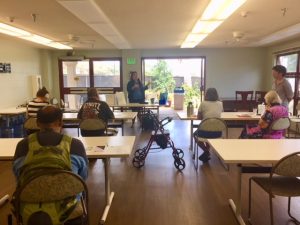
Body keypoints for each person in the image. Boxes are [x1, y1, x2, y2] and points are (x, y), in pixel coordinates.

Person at [13, 105, 88, 225]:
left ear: (37, 123)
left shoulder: (22, 145)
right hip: (68, 209)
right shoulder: (75, 145)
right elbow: (82, 179)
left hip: (30, 210)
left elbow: (19, 177)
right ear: (60, 122)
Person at [194, 88, 224, 162]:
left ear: (206, 94)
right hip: (217, 133)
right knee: (210, 131)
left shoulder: (203, 103)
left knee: (195, 135)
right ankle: (207, 152)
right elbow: (220, 114)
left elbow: (199, 118)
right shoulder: (220, 103)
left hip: (205, 132)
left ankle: (206, 151)